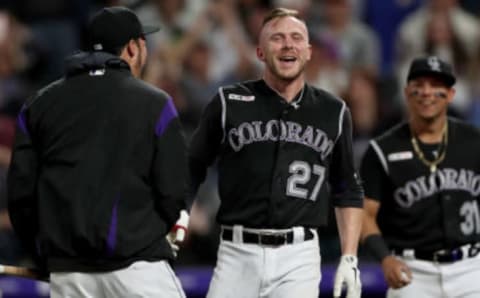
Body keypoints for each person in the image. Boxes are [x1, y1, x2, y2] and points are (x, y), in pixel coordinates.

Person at [7, 6, 188, 298]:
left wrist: (46, 255)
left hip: (70, 273)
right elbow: (174, 191)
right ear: (132, 48)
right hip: (137, 267)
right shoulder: (155, 103)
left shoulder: (39, 105)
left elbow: (21, 196)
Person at [189, 7, 364, 298]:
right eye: (277, 38)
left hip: (299, 256)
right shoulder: (229, 102)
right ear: (259, 52)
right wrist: (181, 211)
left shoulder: (333, 111)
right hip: (237, 252)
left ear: (308, 52)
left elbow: (348, 189)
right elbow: (193, 164)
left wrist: (349, 256)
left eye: (296, 38)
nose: (287, 45)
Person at [361, 55, 480, 298]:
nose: (427, 92)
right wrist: (385, 259)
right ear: (407, 92)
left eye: (436, 85)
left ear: (451, 94)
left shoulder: (473, 140)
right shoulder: (383, 150)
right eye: (419, 85)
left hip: (471, 268)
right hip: (412, 272)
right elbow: (364, 214)